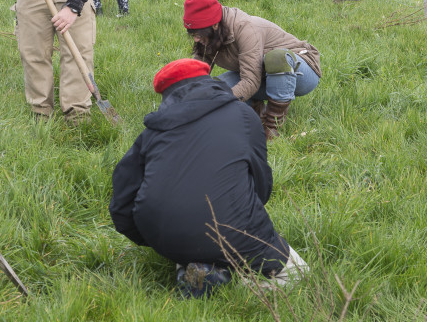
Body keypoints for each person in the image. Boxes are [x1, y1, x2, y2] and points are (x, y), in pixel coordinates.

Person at [110, 58, 307, 298]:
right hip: (231, 226)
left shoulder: (150, 134)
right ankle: (232, 286)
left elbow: (121, 204)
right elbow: (261, 184)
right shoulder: (244, 116)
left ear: (167, 94)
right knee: (299, 274)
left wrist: (155, 237)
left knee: (189, 234)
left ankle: (193, 265)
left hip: (162, 234)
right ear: (208, 81)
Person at [182, 0, 322, 140]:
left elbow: (251, 81)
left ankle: (272, 127)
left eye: (198, 33)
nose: (196, 39)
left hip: (301, 72)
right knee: (215, 88)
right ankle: (257, 110)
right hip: (262, 74)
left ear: (215, 25)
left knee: (276, 58)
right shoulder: (208, 35)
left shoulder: (245, 28)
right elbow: (197, 76)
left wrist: (219, 102)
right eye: (192, 34)